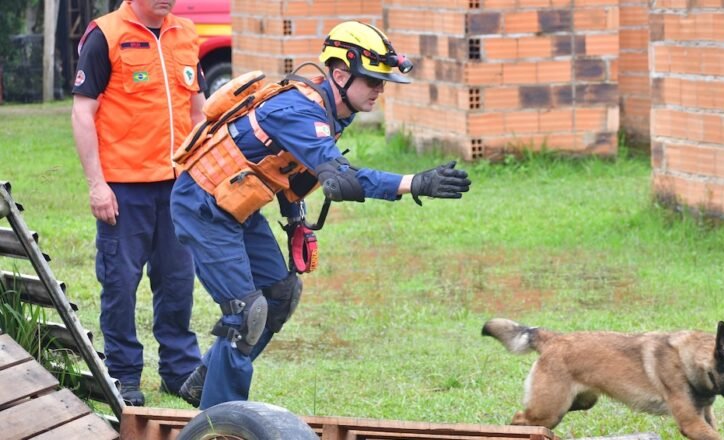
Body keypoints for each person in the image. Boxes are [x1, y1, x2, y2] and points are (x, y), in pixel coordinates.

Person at [170, 20, 471, 409]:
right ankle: (221, 421)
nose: (379, 91)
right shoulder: (299, 110)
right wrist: (414, 182)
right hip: (203, 206)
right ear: (341, 74)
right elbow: (340, 180)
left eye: (382, 83)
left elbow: (284, 167)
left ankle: (206, 381)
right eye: (372, 81)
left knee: (281, 293)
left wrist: (295, 219)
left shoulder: (330, 110)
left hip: (234, 205)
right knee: (247, 314)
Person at [71, 0, 205, 406]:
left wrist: (201, 174)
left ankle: (179, 371)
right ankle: (123, 374)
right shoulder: (106, 35)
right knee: (120, 283)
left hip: (178, 186)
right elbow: (82, 112)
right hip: (124, 188)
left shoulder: (187, 34)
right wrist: (98, 185)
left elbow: (198, 111)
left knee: (178, 281)